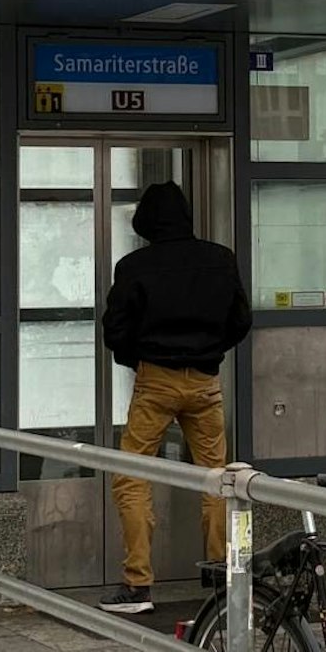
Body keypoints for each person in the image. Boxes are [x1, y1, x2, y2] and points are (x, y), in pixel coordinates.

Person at [99, 181, 252, 614]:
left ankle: (138, 584)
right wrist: (209, 350)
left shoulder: (135, 265)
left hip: (155, 381)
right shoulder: (220, 259)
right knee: (219, 478)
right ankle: (224, 577)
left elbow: (116, 329)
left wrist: (139, 359)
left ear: (146, 221)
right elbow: (241, 320)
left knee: (131, 474)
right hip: (205, 382)